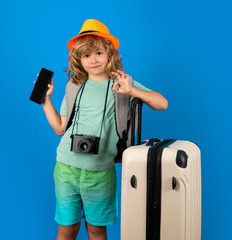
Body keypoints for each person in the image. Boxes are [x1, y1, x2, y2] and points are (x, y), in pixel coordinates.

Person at [36, 19, 168, 240]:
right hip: (66, 168)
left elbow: (162, 103)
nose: (93, 60)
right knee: (67, 229)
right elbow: (60, 127)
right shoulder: (74, 85)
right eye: (86, 55)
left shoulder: (122, 83)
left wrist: (132, 91)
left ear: (110, 53)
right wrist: (44, 100)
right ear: (78, 59)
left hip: (100, 172)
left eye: (98, 52)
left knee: (96, 230)